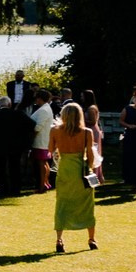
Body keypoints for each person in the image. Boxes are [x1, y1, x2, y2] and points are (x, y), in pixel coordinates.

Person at [51, 102, 99, 252]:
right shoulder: (86, 132)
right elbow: (90, 154)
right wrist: (90, 168)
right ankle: (91, 239)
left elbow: (50, 149)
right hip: (81, 170)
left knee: (62, 203)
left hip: (65, 168)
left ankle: (59, 239)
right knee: (86, 204)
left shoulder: (55, 130)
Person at [28, 92, 57, 192]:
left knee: (42, 163)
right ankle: (45, 183)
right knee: (44, 163)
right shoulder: (45, 108)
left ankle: (42, 185)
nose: (36, 101)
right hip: (43, 140)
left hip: (41, 140)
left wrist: (31, 137)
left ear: (40, 99)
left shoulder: (44, 110)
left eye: (37, 99)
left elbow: (38, 127)